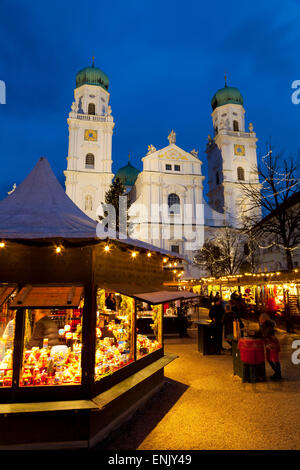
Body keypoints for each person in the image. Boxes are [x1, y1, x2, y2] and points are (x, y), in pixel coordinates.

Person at [258, 313, 282, 381]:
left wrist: (261, 333)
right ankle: (277, 373)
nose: (260, 320)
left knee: (275, 359)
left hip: (273, 343)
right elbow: (260, 333)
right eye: (260, 319)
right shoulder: (263, 325)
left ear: (265, 319)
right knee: (269, 359)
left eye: (262, 319)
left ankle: (278, 374)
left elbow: (266, 333)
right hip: (268, 343)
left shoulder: (269, 325)